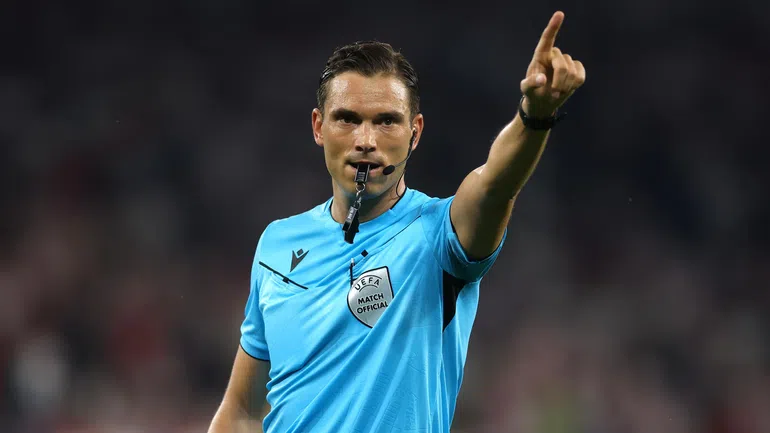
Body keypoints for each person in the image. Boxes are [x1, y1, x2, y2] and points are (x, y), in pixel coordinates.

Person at [208, 10, 585, 433]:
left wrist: (533, 117)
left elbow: (496, 185)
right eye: (347, 118)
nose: (366, 141)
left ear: (415, 133)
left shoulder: (437, 236)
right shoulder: (277, 244)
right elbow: (241, 412)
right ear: (319, 127)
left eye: (386, 121)